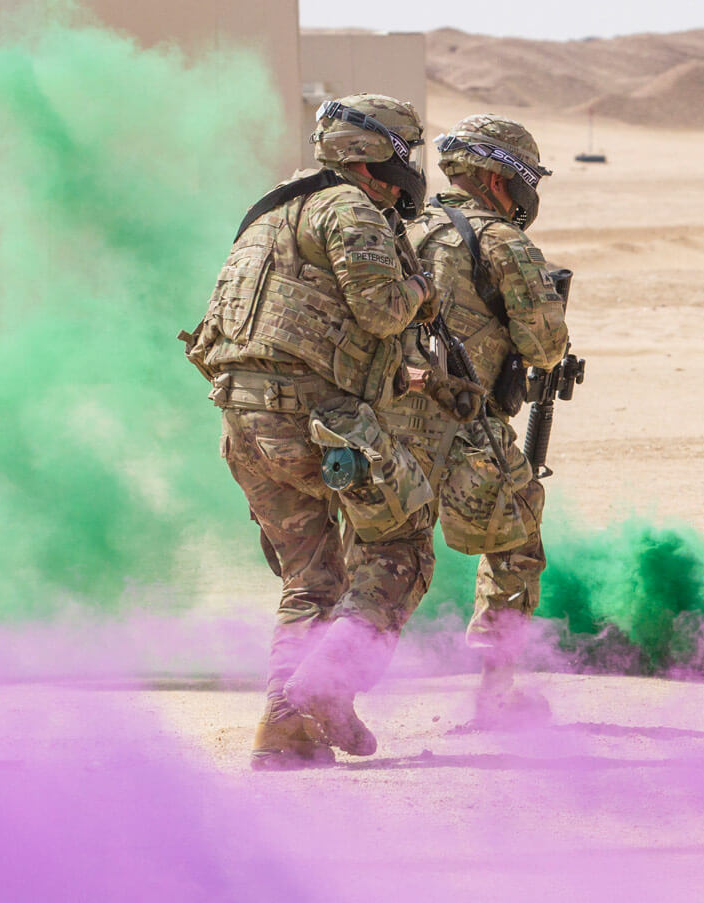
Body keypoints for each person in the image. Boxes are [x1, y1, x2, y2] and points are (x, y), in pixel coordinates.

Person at [182, 94, 474, 769]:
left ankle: (286, 725)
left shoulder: (269, 212)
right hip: (315, 417)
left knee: (311, 576)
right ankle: (326, 685)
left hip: (242, 420)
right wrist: (424, 292)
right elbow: (379, 310)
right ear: (379, 158)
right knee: (401, 544)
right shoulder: (350, 208)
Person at [385, 113, 571, 724]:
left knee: (383, 564)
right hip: (462, 427)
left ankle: (314, 696)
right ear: (499, 178)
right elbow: (545, 346)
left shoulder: (398, 225)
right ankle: (495, 694)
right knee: (517, 546)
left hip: (380, 426)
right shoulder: (500, 240)